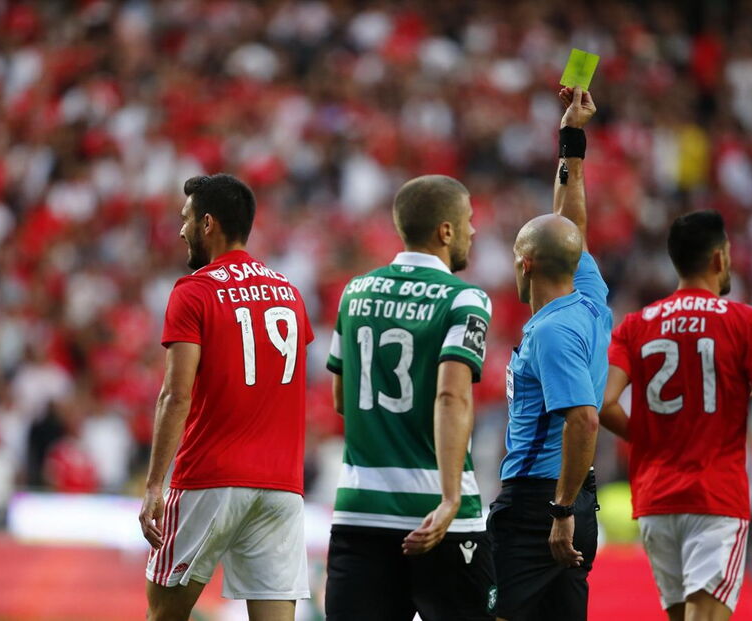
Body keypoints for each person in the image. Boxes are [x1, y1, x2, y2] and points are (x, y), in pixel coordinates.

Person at [600, 210, 752, 621]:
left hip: (655, 500)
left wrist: (648, 437)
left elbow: (604, 403)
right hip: (714, 498)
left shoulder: (635, 325)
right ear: (719, 258)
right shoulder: (745, 321)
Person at [138, 174, 313, 621]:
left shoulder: (195, 290)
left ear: (208, 223)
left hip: (210, 478)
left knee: (163, 614)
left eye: (186, 219)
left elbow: (175, 396)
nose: (181, 230)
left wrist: (155, 484)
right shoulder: (290, 293)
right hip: (282, 485)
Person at [324, 175, 497, 620]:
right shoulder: (465, 299)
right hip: (437, 514)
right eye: (468, 220)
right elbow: (451, 397)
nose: (473, 230)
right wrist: (450, 498)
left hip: (361, 511)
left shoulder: (354, 292)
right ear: (446, 231)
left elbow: (342, 400)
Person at [488, 86, 611, 621]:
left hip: (540, 504)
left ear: (526, 264)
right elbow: (570, 225)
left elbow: (584, 419)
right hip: (574, 497)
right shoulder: (590, 297)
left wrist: (559, 512)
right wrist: (571, 141)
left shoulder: (552, 332)